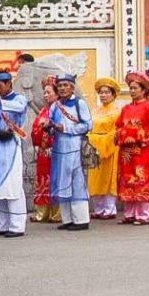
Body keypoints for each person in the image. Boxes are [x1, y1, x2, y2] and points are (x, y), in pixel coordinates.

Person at [0, 71, 28, 238]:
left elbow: (21, 108)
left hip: (13, 146)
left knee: (12, 185)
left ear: (9, 84)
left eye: (0, 85)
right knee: (0, 186)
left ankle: (17, 225)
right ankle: (2, 224)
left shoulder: (18, 99)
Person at [49, 74, 92, 231]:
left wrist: (66, 128)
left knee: (76, 182)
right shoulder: (55, 105)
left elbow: (87, 125)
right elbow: (51, 122)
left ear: (72, 87)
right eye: (60, 86)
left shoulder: (79, 104)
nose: (62, 88)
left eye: (66, 85)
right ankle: (67, 218)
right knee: (62, 180)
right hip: (59, 147)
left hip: (75, 146)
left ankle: (81, 219)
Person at [115, 72, 149, 226]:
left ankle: (144, 214)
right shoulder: (125, 108)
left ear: (143, 90)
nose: (132, 91)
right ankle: (130, 213)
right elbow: (119, 125)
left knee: (141, 178)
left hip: (142, 150)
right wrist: (122, 134)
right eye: (131, 88)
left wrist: (136, 136)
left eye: (135, 88)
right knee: (127, 178)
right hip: (126, 151)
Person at [87, 77, 122, 220]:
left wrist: (106, 141)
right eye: (101, 92)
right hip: (95, 146)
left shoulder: (117, 111)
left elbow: (117, 130)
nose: (103, 95)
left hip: (110, 147)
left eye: (107, 92)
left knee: (108, 177)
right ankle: (98, 208)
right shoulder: (95, 110)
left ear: (113, 94)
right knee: (95, 177)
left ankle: (109, 208)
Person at [30, 79, 61, 223]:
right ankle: (42, 213)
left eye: (49, 92)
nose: (45, 95)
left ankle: (57, 213)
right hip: (43, 152)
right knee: (43, 180)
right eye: (45, 92)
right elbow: (35, 129)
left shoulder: (60, 110)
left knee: (55, 180)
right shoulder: (44, 110)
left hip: (54, 151)